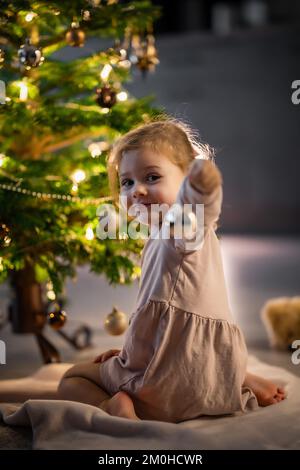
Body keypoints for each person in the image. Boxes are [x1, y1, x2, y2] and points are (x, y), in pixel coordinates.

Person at [58, 118, 286, 422]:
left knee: (73, 378)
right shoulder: (176, 234)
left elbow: (200, 206)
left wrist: (201, 186)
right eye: (127, 182)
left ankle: (112, 408)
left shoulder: (181, 228)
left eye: (151, 177)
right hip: (213, 380)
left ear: (187, 177)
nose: (136, 190)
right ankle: (238, 375)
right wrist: (126, 354)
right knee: (132, 358)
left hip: (163, 386)